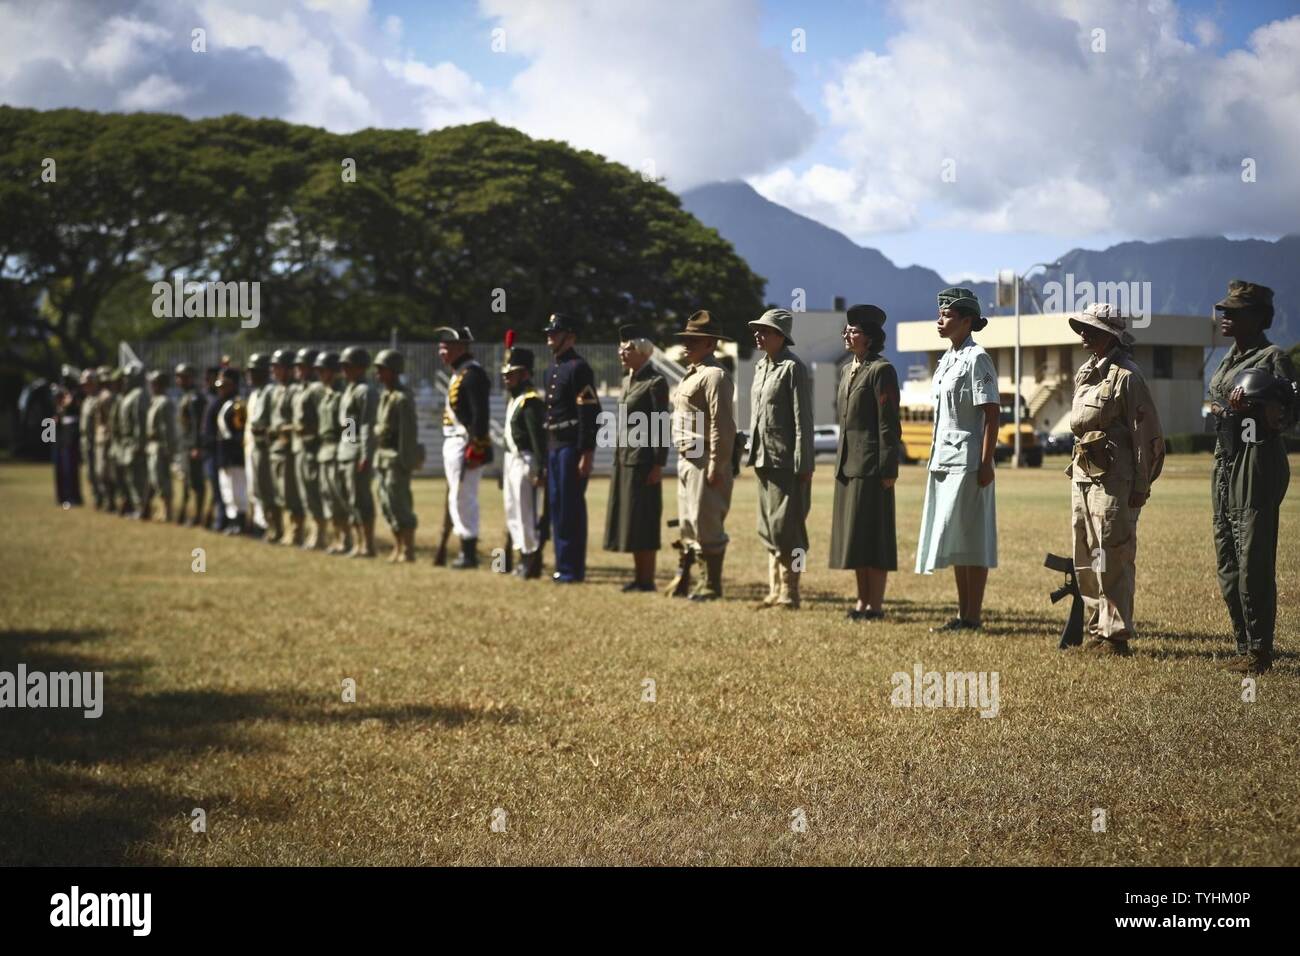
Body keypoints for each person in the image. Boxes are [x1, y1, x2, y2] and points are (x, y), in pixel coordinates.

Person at [1207, 280, 1297, 675]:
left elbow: (1291, 414)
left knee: (1253, 557)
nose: (1225, 317)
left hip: (1256, 459)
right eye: (1224, 311)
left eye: (1235, 312)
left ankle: (1260, 651)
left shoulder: (1273, 357)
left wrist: (1263, 411)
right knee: (1227, 554)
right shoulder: (1228, 359)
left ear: (1259, 317)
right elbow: (1219, 400)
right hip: (1226, 459)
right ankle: (1243, 644)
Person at [1066, 303, 1165, 655]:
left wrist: (1142, 485)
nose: (1084, 334)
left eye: (1091, 329)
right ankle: (1097, 629)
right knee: (1086, 554)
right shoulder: (1086, 373)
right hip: (1083, 475)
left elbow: (1148, 437)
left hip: (1115, 479)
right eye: (1082, 328)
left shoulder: (1128, 376)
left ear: (1111, 336)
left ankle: (1116, 636)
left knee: (1113, 551)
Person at [915, 288, 999, 630]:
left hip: (968, 460)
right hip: (943, 459)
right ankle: (963, 613)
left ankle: (973, 615)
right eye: (940, 313)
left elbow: (992, 414)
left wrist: (986, 462)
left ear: (967, 321)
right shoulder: (947, 359)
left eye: (947, 315)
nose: (940, 319)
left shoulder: (978, 357)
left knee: (972, 537)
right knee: (955, 537)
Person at [829, 304, 902, 620]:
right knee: (855, 538)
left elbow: (888, 423)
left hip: (872, 467)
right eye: (846, 329)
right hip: (847, 466)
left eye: (854, 330)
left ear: (870, 338)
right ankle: (861, 602)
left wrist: (888, 468)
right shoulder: (847, 370)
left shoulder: (881, 370)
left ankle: (875, 605)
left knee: (875, 537)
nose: (847, 334)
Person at [666, 310, 737, 602]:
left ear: (710, 344)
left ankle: (711, 584)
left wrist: (716, 465)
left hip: (704, 456)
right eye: (685, 339)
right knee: (689, 522)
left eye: (693, 341)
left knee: (706, 522)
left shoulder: (715, 376)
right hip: (687, 457)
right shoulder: (693, 373)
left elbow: (722, 426)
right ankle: (691, 580)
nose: (686, 345)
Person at [746, 308, 814, 610]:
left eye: (764, 330)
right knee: (769, 527)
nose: (758, 335)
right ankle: (775, 589)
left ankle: (791, 591)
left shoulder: (793, 368)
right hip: (763, 458)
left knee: (789, 529)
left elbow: (803, 420)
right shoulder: (761, 367)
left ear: (780, 336)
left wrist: (804, 463)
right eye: (757, 330)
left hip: (787, 461)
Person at [604, 324, 669, 592]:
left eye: (628, 348)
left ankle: (647, 579)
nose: (622, 352)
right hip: (624, 458)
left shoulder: (655, 382)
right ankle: (638, 577)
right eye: (621, 347)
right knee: (630, 519)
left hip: (643, 461)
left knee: (644, 519)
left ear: (643, 353)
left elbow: (660, 423)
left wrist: (658, 464)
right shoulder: (627, 380)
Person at [543, 313, 601, 583]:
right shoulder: (551, 370)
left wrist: (586, 453)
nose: (550, 337)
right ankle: (561, 564)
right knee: (555, 506)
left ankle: (572, 569)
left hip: (571, 446)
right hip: (553, 444)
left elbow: (589, 413)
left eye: (556, 333)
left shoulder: (579, 368)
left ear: (571, 337)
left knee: (570, 508)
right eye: (550, 332)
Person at [436, 326, 493, 569]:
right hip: (455, 442)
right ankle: (464, 547)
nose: (441, 352)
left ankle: (468, 551)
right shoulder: (460, 373)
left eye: (446, 347)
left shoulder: (472, 375)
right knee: (457, 497)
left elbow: (480, 416)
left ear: (460, 348)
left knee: (464, 496)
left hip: (465, 443)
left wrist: (476, 447)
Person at [501, 344, 548, 579]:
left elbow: (538, 439)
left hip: (526, 461)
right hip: (511, 460)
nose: (507, 379)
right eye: (506, 375)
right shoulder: (515, 399)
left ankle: (531, 558)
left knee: (526, 512)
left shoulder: (530, 401)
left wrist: (540, 468)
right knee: (512, 509)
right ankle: (522, 553)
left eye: (512, 374)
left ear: (525, 374)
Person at [373, 348, 419, 563]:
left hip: (396, 458)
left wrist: (405, 462)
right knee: (386, 502)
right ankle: (398, 545)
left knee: (399, 502)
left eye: (382, 370)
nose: (378, 375)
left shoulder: (402, 398)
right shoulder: (385, 396)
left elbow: (408, 434)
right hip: (382, 456)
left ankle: (408, 549)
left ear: (394, 371)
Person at [338, 346, 378, 558]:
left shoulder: (365, 391)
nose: (344, 370)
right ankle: (358, 542)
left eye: (348, 366)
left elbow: (366, 425)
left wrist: (364, 453)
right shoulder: (349, 389)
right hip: (345, 450)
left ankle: (368, 544)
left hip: (355, 452)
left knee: (361, 500)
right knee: (349, 500)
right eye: (343, 366)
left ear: (361, 368)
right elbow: (348, 425)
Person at [314, 350, 352, 555]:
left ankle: (346, 539)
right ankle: (336, 538)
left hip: (338, 450)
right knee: (328, 497)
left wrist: (349, 448)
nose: (320, 374)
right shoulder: (325, 394)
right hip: (324, 450)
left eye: (323, 370)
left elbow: (350, 425)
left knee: (340, 498)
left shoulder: (341, 395)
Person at [291, 347, 328, 550]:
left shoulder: (317, 390)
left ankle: (320, 533)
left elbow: (326, 418)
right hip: (300, 446)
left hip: (314, 446)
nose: (298, 370)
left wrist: (310, 430)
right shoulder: (301, 389)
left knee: (315, 492)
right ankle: (310, 531)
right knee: (305, 493)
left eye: (302, 366)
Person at [269, 348, 303, 545]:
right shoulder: (277, 390)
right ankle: (282, 530)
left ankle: (296, 532)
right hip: (275, 447)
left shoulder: (295, 391)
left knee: (290, 493)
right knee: (279, 493)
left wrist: (283, 429)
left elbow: (298, 421)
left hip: (289, 448)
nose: (274, 371)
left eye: (278, 367)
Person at [244, 353, 277, 540]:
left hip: (265, 447)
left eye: (254, 371)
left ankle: (268, 525)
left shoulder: (270, 392)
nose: (250, 375)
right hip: (252, 447)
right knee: (254, 488)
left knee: (266, 489)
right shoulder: (255, 393)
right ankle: (259, 522)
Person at [214, 368, 248, 534]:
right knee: (227, 491)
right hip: (224, 454)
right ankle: (232, 522)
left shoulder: (238, 405)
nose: (221, 390)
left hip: (234, 454)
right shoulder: (225, 404)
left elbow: (239, 433)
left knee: (238, 490)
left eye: (225, 386)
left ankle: (240, 523)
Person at [115, 363, 150, 519]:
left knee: (138, 477)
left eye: (128, 377)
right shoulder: (129, 394)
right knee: (130, 477)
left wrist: (139, 443)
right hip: (126, 442)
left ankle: (141, 508)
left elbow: (140, 422)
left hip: (134, 444)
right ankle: (135, 506)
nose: (126, 380)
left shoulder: (139, 395)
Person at [174, 363, 207, 526]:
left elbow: (197, 424)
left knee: (196, 482)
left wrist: (196, 446)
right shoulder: (185, 395)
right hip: (185, 445)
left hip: (192, 446)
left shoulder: (195, 397)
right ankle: (184, 513)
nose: (178, 380)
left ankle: (197, 515)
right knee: (186, 482)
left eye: (181, 377)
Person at [145, 370, 177, 522]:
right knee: (155, 479)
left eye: (154, 383)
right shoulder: (155, 400)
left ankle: (167, 511)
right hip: (152, 445)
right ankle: (160, 509)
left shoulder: (164, 402)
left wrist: (168, 449)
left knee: (162, 479)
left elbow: (167, 428)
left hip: (160, 446)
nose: (152, 386)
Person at [52, 366, 83, 508]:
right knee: (62, 467)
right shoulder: (59, 399)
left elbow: (71, 407)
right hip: (62, 437)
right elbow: (53, 421)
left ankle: (73, 497)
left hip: (71, 435)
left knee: (71, 467)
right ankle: (63, 496)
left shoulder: (75, 395)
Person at [93, 367, 119, 513]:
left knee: (105, 471)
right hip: (101, 437)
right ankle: (106, 500)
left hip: (106, 437)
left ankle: (110, 501)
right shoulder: (102, 396)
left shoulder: (107, 396)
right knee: (101, 471)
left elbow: (109, 420)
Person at [78, 368, 100, 509]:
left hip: (96, 441)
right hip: (86, 441)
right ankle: (95, 498)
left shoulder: (98, 400)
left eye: (88, 383)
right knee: (90, 473)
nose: (85, 386)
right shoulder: (86, 401)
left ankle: (102, 498)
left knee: (99, 473)